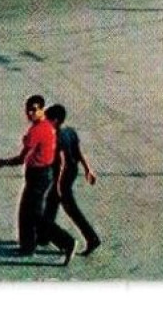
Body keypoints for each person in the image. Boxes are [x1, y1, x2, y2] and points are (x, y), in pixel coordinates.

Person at [0, 94, 76, 265]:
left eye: (34, 110)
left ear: (42, 109)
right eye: (28, 110)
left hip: (38, 176)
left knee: (34, 215)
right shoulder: (46, 126)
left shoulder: (37, 130)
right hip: (43, 174)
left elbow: (21, 159)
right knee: (26, 212)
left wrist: (2, 163)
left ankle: (67, 242)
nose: (30, 113)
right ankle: (27, 246)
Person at [43, 104, 101, 257]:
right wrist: (88, 169)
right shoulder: (70, 132)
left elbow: (61, 162)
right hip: (72, 172)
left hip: (62, 176)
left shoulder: (55, 137)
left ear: (55, 120)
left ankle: (92, 238)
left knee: (70, 208)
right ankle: (44, 236)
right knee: (51, 203)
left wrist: (57, 185)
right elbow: (79, 152)